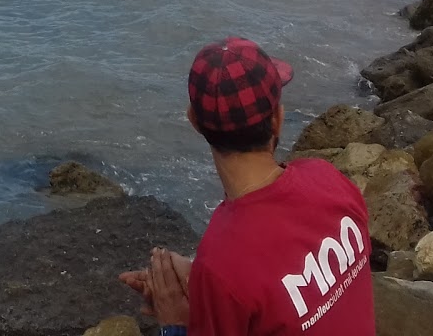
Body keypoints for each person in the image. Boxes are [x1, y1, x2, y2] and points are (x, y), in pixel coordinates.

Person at [119, 38, 374, 334]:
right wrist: (199, 283)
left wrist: (175, 320)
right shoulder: (329, 179)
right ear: (277, 119)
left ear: (194, 122)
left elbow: (250, 273)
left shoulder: (222, 263)